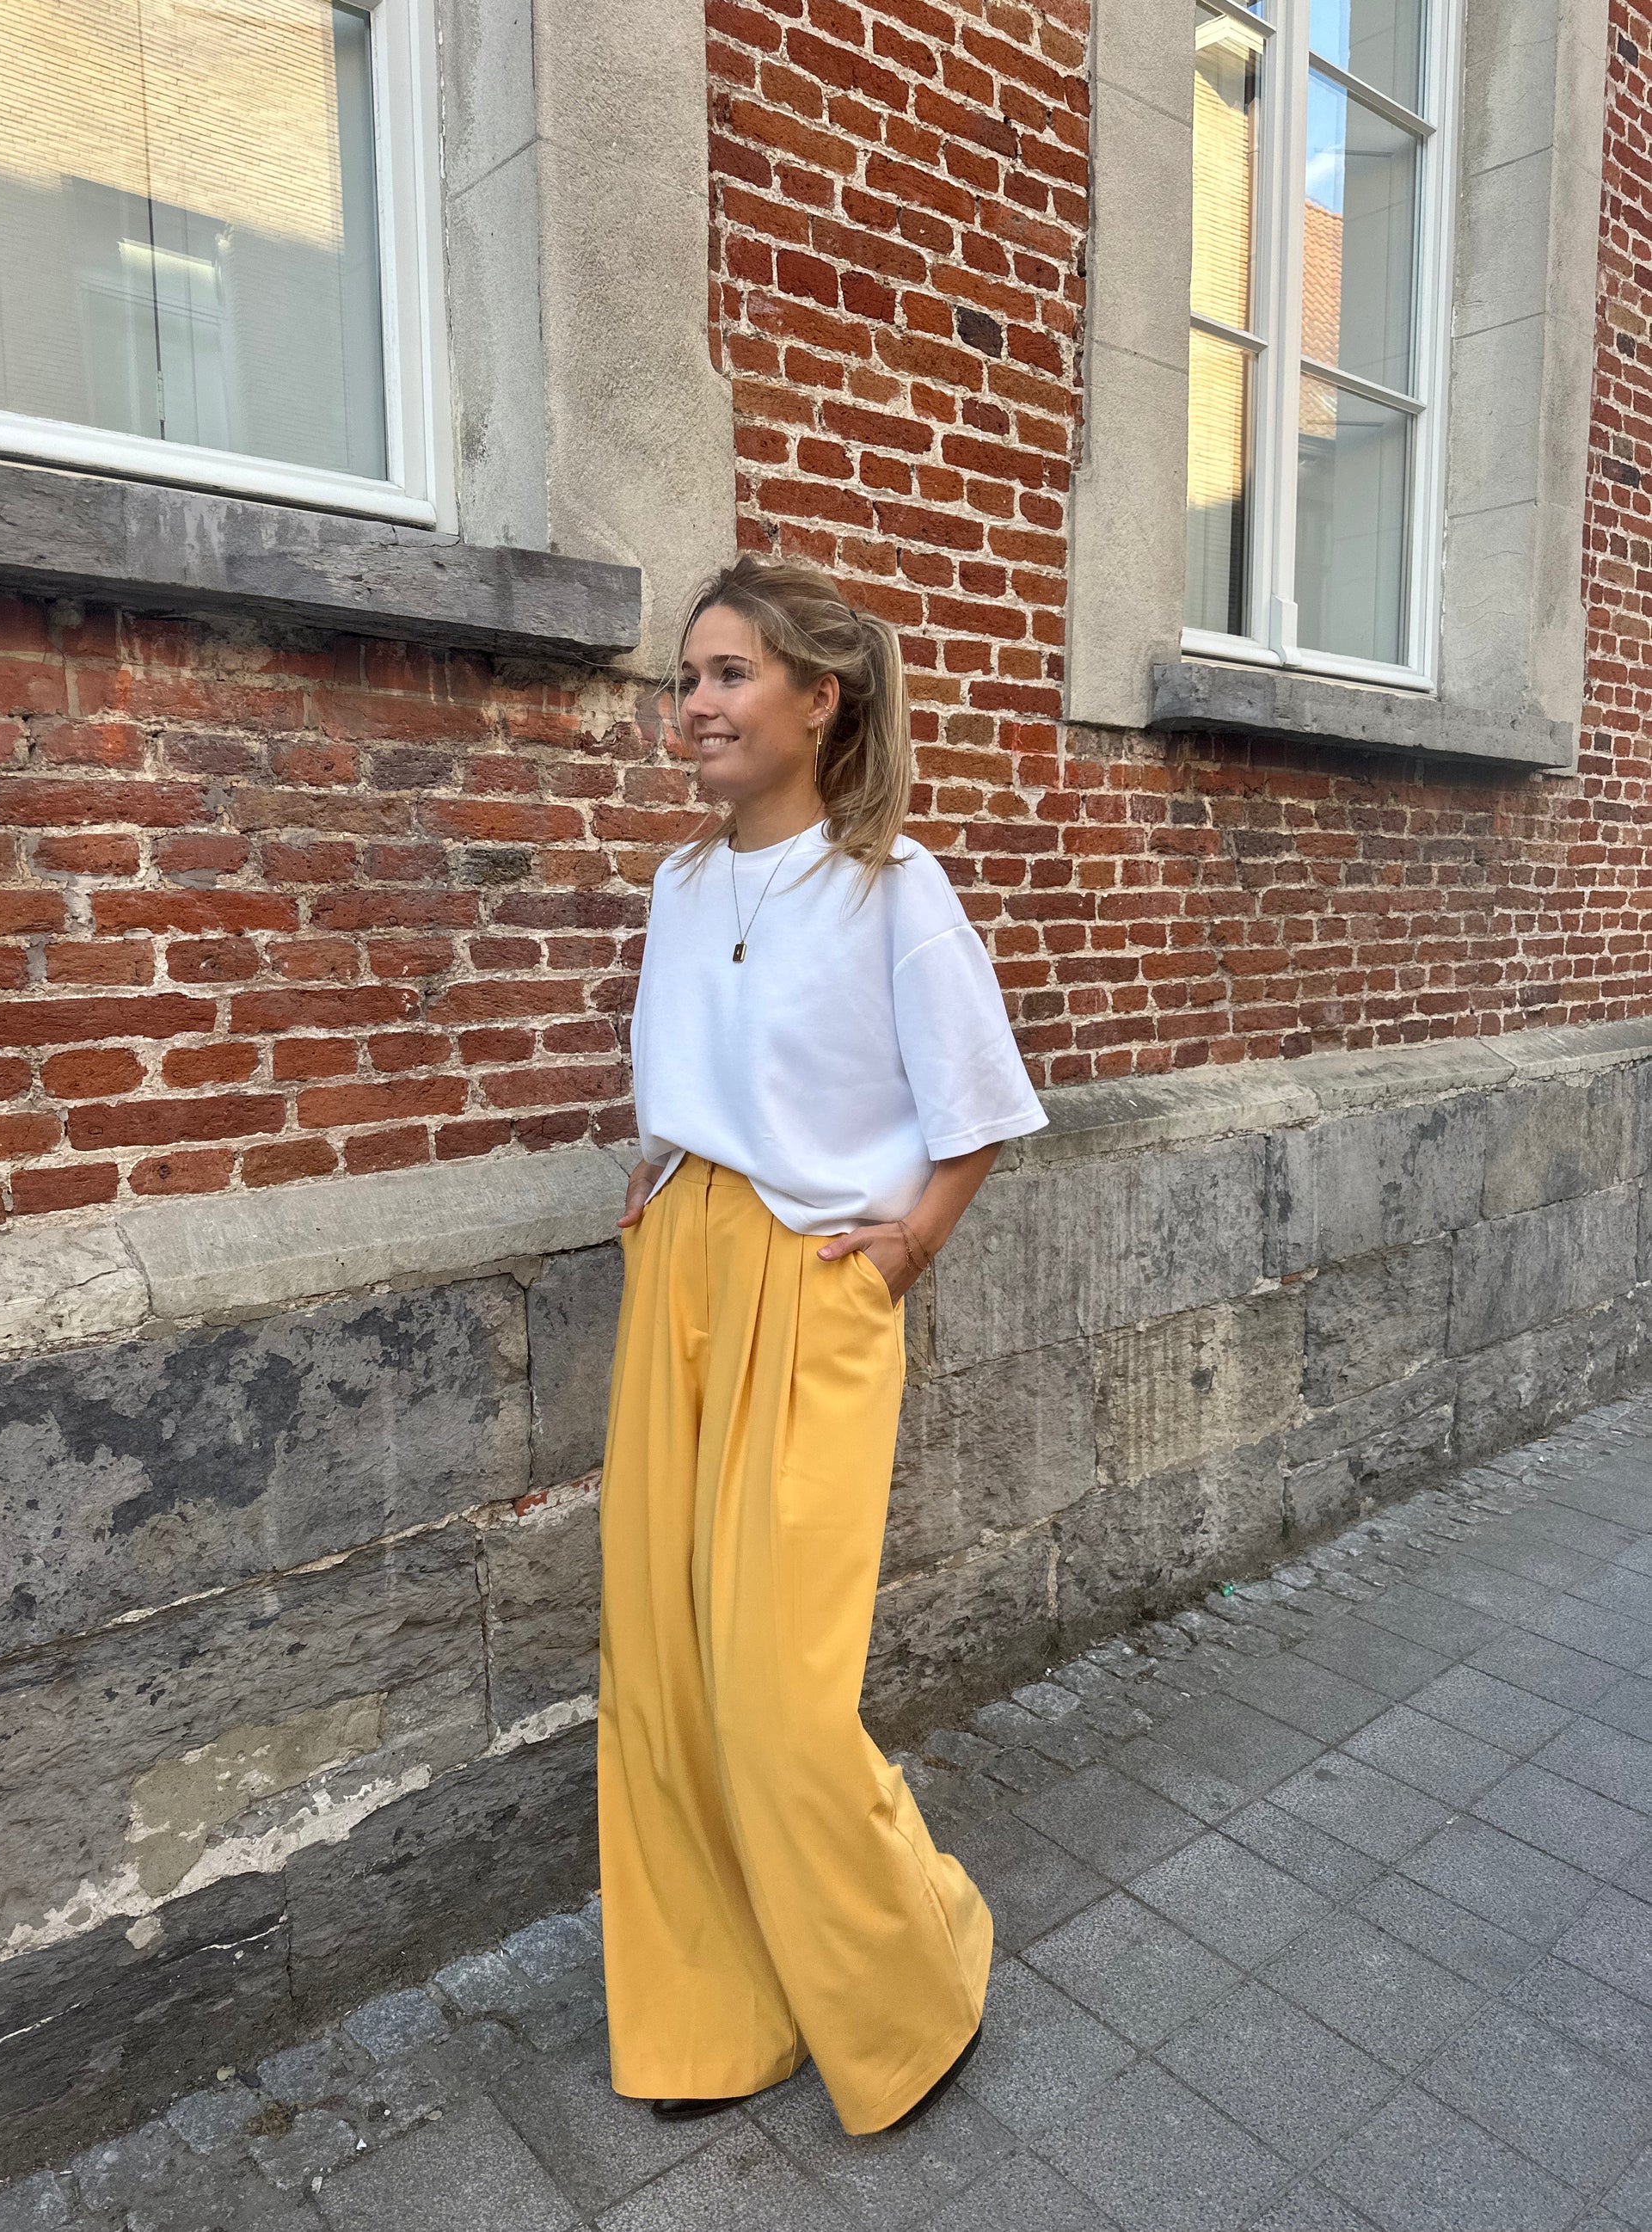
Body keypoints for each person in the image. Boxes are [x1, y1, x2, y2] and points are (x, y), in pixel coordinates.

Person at [595, 551, 1048, 2138]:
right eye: (687, 679)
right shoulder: (679, 887)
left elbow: (976, 1108)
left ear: (819, 698)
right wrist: (662, 1169)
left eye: (728, 674)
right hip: (681, 1272)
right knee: (662, 1667)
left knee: (776, 1691)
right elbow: (696, 1073)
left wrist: (907, 1246)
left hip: (812, 1279)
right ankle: (713, 2016)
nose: (696, 705)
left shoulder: (891, 887)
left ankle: (905, 1996)